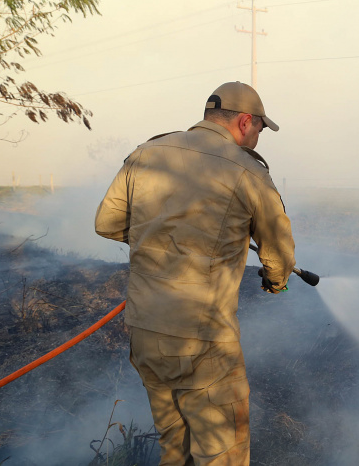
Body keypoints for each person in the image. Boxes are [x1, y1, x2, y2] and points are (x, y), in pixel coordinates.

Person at [94, 81, 296, 465]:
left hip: (146, 331)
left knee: (176, 448)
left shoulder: (148, 153)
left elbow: (107, 223)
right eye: (259, 130)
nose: (258, 138)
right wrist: (276, 282)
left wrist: (163, 245)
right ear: (244, 122)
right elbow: (278, 251)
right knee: (221, 455)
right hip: (203, 342)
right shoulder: (247, 171)